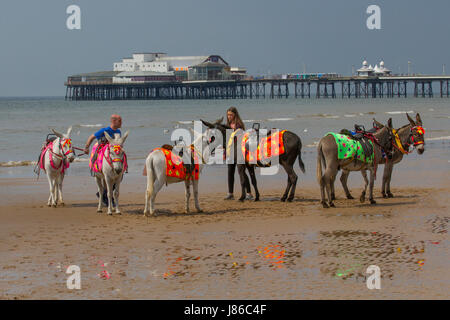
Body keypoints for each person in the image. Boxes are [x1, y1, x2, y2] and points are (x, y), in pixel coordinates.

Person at [84, 114, 122, 205]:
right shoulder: (104, 130)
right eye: (120, 121)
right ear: (114, 121)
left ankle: (104, 194)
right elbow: (91, 137)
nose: (121, 123)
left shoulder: (119, 132)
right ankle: (94, 168)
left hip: (113, 155)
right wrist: (86, 147)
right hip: (104, 153)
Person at [224, 107, 252, 200]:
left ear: (235, 115)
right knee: (230, 172)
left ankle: (249, 193)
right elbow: (227, 140)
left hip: (239, 152)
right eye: (228, 115)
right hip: (230, 152)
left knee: (242, 173)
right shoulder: (228, 125)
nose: (229, 116)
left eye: (231, 115)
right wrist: (225, 151)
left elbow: (241, 139)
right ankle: (230, 193)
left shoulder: (239, 125)